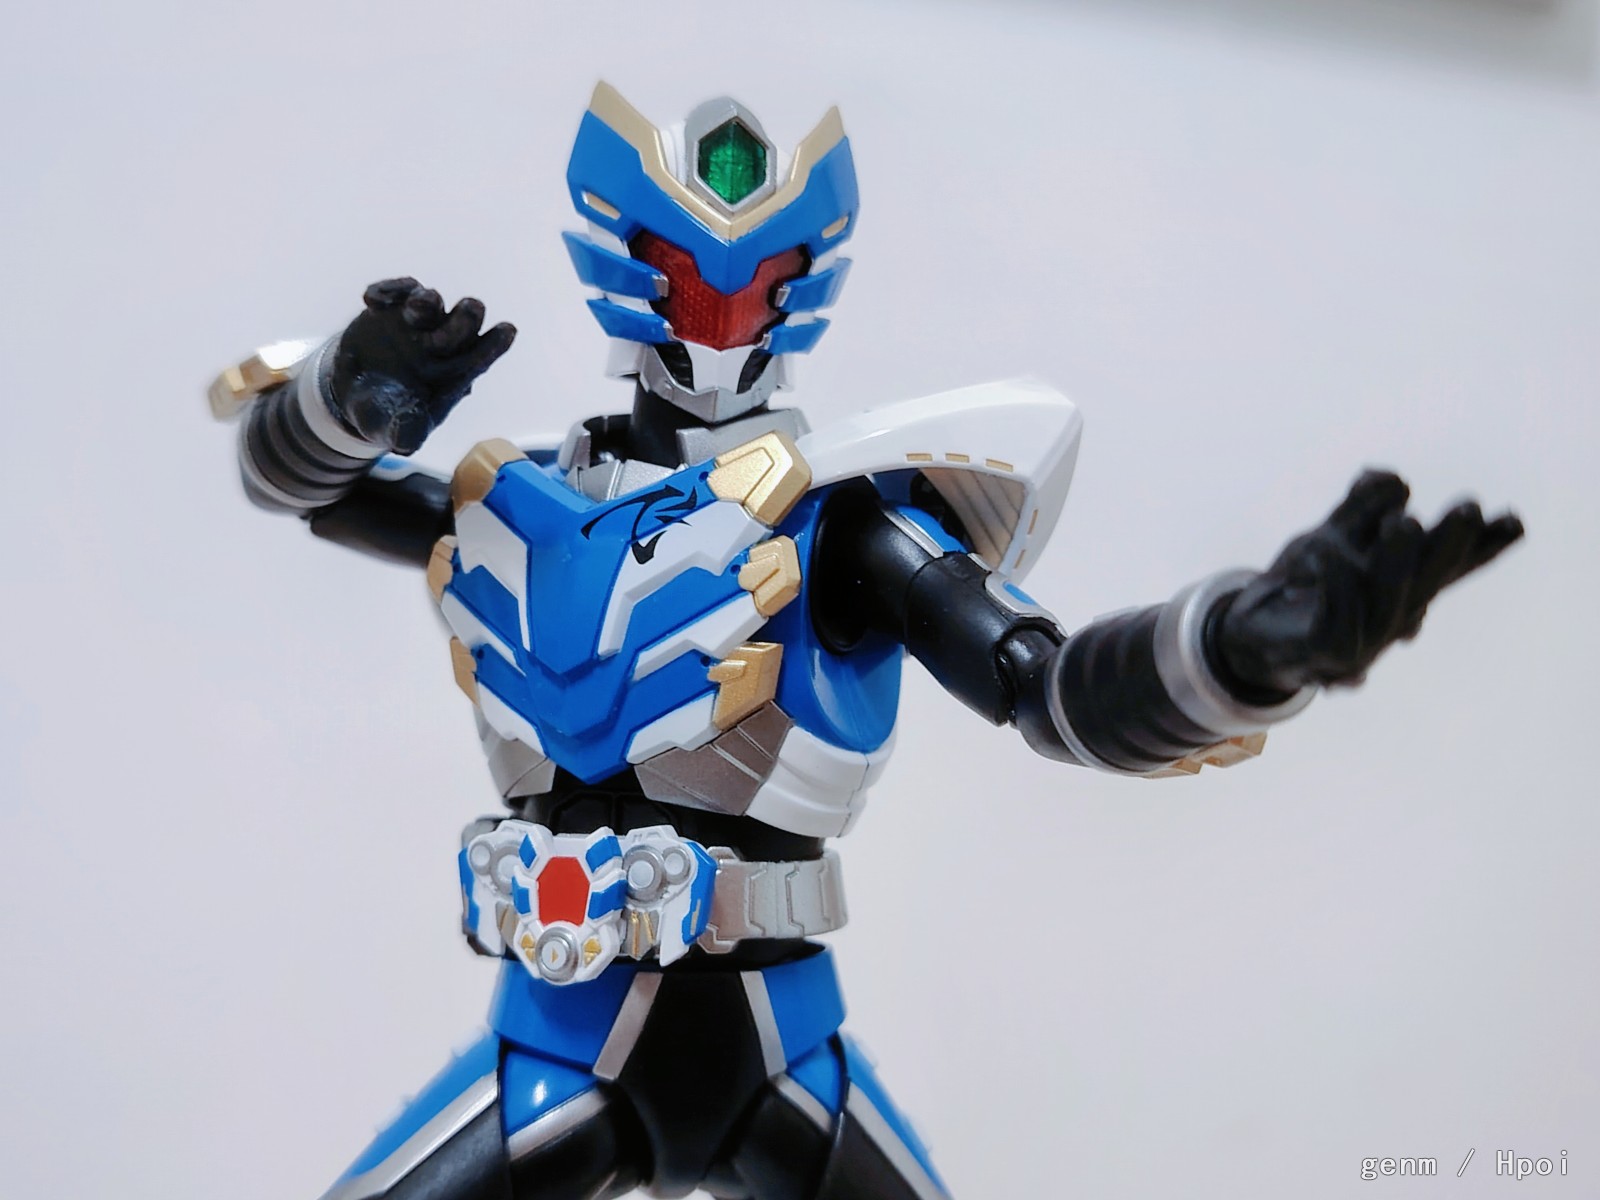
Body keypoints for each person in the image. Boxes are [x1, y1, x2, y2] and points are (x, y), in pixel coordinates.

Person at [210, 82, 1521, 1200]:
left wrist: (1238, 651)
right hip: (552, 1036)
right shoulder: (514, 510)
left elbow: (1047, 685)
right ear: (623, 265)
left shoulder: (841, 521)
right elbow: (302, 485)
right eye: (683, 275)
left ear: (807, 283)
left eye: (758, 282)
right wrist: (347, 396)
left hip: (783, 1058)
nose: (718, 309)